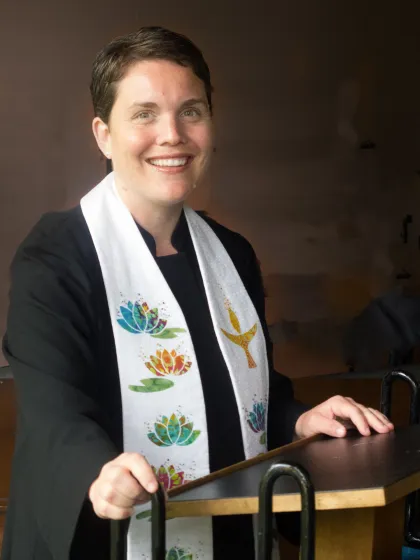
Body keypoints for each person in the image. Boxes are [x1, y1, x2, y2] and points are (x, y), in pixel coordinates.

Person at [1, 26, 394, 560]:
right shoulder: (55, 258)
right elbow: (55, 413)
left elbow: (246, 393)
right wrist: (97, 471)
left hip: (231, 532)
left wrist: (299, 419)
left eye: (191, 111)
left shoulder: (232, 253)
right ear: (104, 135)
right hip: (113, 537)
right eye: (144, 114)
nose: (172, 135)